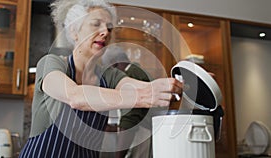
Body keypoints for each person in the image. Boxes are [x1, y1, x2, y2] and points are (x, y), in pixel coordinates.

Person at [19, 0, 183, 157]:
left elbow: (139, 88)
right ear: (74, 31)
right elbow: (75, 96)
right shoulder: (51, 63)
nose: (105, 32)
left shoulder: (109, 76)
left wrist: (181, 84)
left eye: (109, 28)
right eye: (96, 24)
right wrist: (143, 96)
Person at [101, 45, 153, 158]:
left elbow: (130, 120)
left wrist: (118, 156)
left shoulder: (130, 76)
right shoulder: (137, 71)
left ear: (114, 65)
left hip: (141, 136)